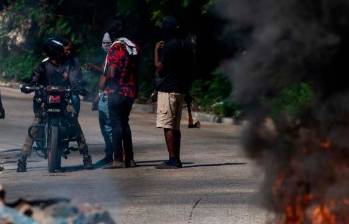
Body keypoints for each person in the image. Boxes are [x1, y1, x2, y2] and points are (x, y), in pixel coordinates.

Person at [17, 37, 93, 172]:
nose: (66, 52)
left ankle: (86, 156)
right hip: (46, 100)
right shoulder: (44, 64)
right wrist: (28, 86)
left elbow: (75, 80)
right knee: (35, 124)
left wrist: (79, 88)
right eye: (63, 50)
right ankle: (22, 159)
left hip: (64, 100)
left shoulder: (71, 63)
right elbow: (34, 79)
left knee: (73, 121)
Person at [154, 16, 195, 169]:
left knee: (168, 125)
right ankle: (176, 158)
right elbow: (191, 68)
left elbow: (159, 67)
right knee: (175, 126)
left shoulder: (169, 46)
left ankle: (173, 160)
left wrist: (156, 51)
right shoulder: (186, 45)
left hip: (168, 89)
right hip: (181, 89)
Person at [99, 20, 139, 168]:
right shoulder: (132, 46)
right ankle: (130, 158)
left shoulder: (115, 48)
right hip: (130, 91)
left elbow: (113, 71)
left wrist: (106, 77)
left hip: (116, 92)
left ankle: (118, 159)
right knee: (125, 124)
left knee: (116, 125)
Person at [85, 32, 114, 166]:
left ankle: (112, 155)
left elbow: (107, 75)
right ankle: (112, 153)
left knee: (108, 127)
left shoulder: (113, 57)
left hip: (109, 95)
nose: (106, 45)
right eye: (104, 42)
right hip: (106, 95)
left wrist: (95, 68)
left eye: (108, 43)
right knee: (108, 127)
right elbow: (104, 79)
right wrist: (98, 96)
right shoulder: (109, 56)